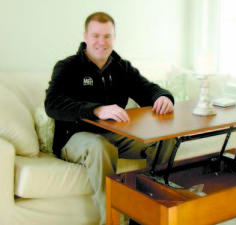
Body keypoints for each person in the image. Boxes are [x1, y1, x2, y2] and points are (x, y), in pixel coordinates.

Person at [45, 11, 176, 225]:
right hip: (75, 137)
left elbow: (147, 89)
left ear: (114, 38)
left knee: (165, 139)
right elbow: (52, 105)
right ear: (85, 36)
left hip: (116, 134)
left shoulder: (121, 67)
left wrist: (162, 96)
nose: (101, 42)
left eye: (107, 36)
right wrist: (97, 109)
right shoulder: (67, 67)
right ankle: (113, 221)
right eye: (96, 35)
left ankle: (151, 214)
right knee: (100, 146)